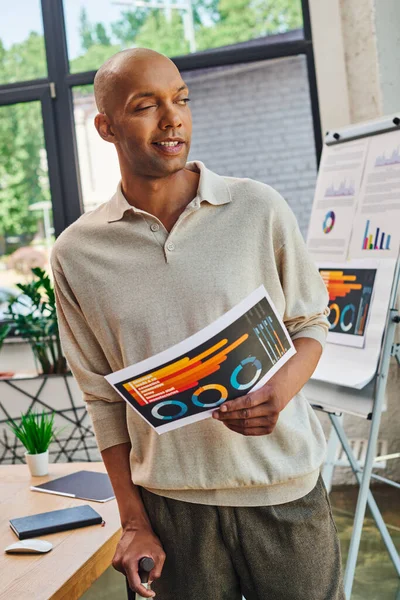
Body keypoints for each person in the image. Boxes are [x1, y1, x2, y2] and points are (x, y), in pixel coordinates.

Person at [51, 48, 345, 600]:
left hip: (282, 492)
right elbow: (103, 400)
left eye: (181, 99)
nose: (173, 118)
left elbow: (310, 323)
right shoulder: (77, 253)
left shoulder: (258, 207)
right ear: (105, 126)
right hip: (171, 509)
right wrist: (134, 521)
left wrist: (278, 392)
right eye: (146, 105)